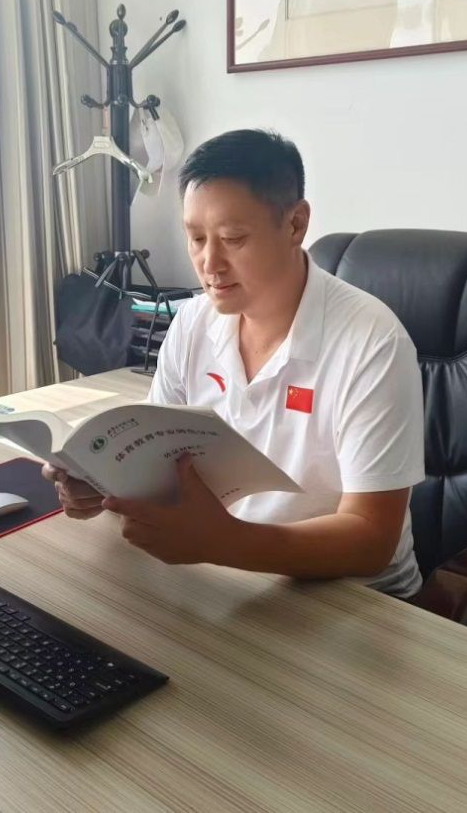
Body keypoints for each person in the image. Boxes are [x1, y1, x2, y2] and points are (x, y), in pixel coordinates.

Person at [44, 129, 426, 596]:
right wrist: (104, 484)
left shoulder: (372, 342)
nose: (209, 263)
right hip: (224, 573)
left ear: (295, 224)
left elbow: (371, 540)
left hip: (356, 596)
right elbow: (158, 464)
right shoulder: (192, 323)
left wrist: (224, 543)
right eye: (196, 238)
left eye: (233, 238)